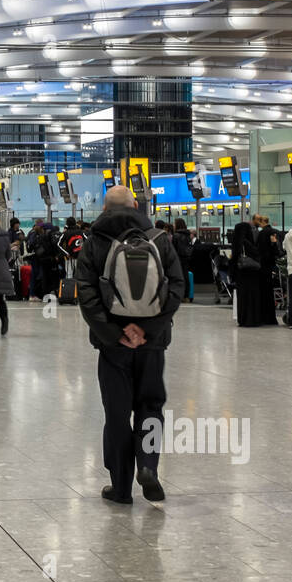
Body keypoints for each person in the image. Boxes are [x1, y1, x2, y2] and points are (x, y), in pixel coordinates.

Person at [76, 185, 185, 505]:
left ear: (104, 209)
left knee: (117, 413)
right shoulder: (160, 239)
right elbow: (176, 287)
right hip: (152, 345)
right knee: (150, 406)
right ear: (136, 205)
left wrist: (115, 333)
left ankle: (120, 487)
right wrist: (148, 330)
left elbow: (86, 293)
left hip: (113, 347)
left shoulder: (95, 242)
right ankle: (148, 467)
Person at [230, 216, 265, 326]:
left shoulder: (238, 243)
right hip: (254, 272)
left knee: (243, 297)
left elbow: (234, 258)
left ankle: (244, 319)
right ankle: (254, 318)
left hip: (242, 272)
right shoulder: (253, 242)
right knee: (254, 296)